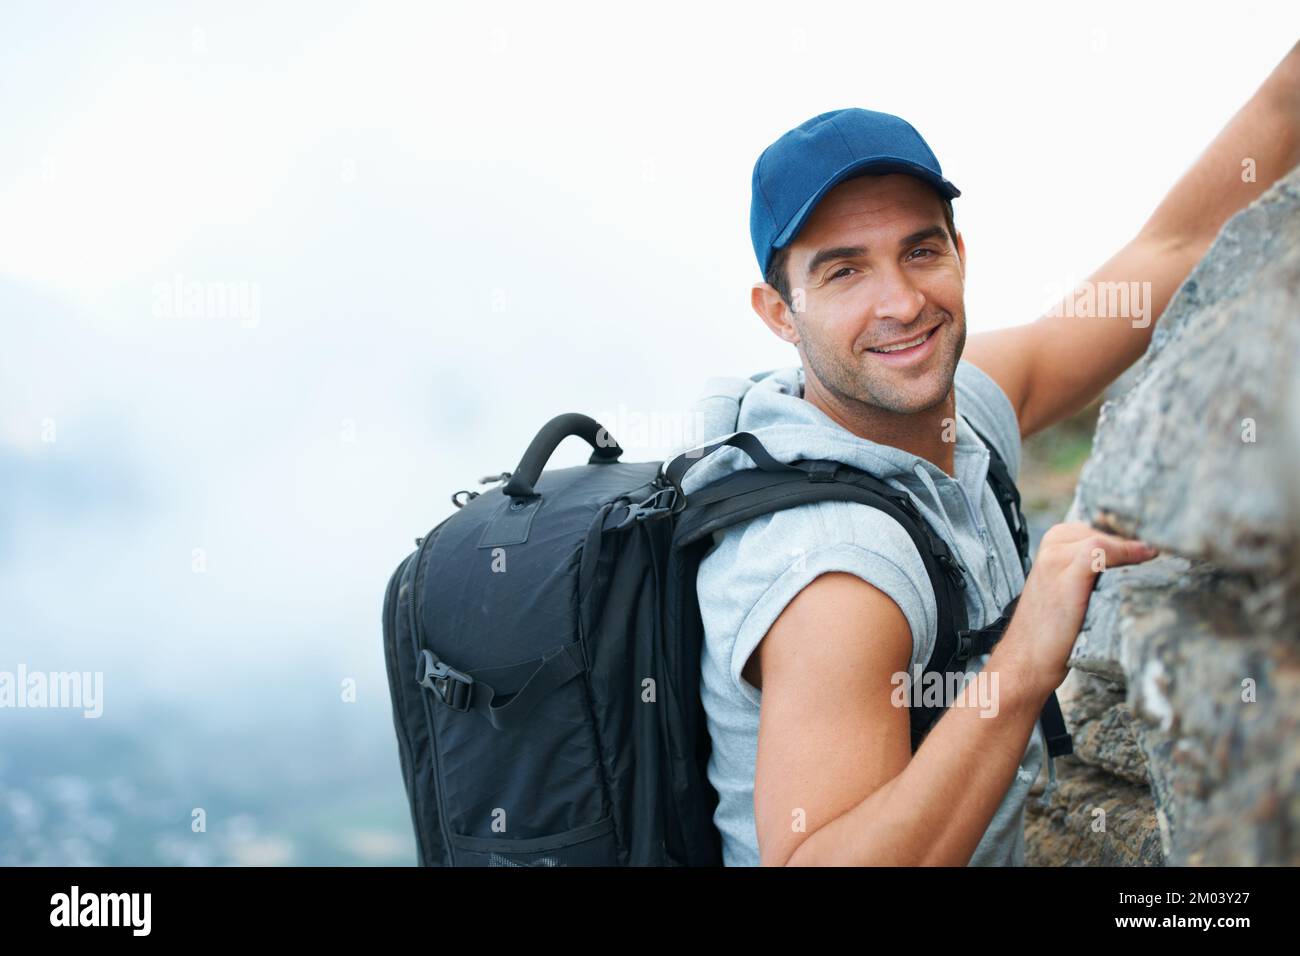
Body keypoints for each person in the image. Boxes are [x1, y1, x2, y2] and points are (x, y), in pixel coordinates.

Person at [684, 43, 1300, 866]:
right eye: (843, 273)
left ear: (959, 253)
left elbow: (1172, 247)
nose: (902, 302)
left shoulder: (956, 406)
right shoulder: (835, 574)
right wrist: (1023, 665)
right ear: (779, 313)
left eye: (920, 250)